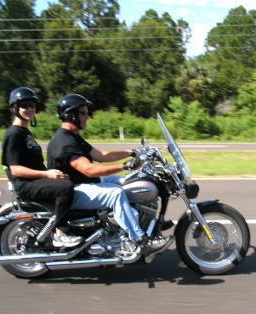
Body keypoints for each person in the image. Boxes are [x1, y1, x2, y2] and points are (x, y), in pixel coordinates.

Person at [46, 93, 174, 256]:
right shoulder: (64, 142)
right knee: (115, 193)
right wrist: (125, 165)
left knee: (128, 182)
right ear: (71, 115)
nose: (87, 117)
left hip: (85, 183)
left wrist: (132, 152)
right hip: (74, 190)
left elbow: (101, 156)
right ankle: (139, 239)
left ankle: (145, 222)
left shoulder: (73, 137)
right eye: (84, 113)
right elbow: (88, 169)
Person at [1, 87, 83, 248]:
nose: (30, 109)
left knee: (69, 178)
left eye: (32, 105)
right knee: (64, 187)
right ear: (14, 108)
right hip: (25, 184)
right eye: (25, 105)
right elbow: (16, 169)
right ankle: (61, 233)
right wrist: (47, 175)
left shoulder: (25, 132)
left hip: (34, 180)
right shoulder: (14, 134)